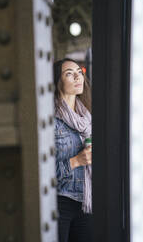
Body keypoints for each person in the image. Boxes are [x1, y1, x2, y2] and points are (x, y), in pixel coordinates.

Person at [53, 58, 92, 242]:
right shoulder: (50, 120)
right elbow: (42, 172)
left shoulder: (87, 118)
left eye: (79, 71)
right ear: (58, 81)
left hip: (86, 202)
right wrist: (77, 160)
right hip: (60, 202)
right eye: (69, 73)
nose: (78, 76)